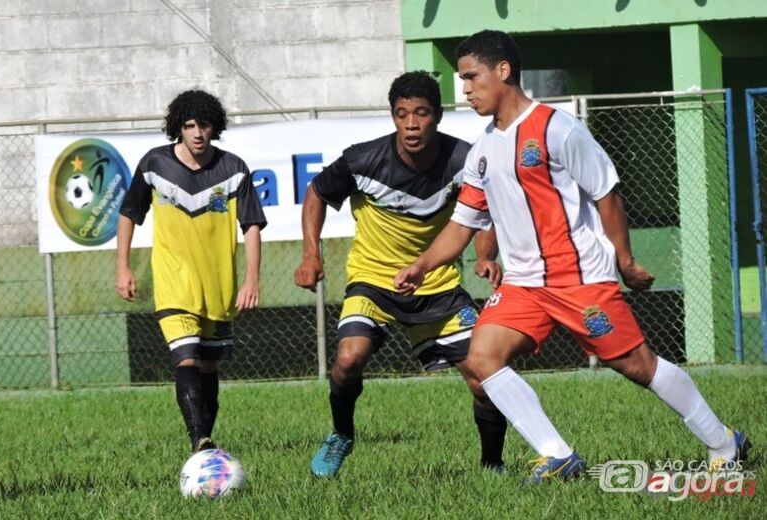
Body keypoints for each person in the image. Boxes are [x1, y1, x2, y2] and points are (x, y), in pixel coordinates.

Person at [395, 30, 750, 483]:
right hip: (523, 284)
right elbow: (463, 224)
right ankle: (558, 455)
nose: (464, 90)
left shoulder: (558, 128)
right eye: (462, 80)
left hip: (579, 278)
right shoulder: (482, 151)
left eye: (471, 77)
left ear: (503, 71)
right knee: (481, 357)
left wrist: (624, 259)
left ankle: (724, 442)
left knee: (636, 365)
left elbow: (607, 193)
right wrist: (423, 265)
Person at [294, 71, 507, 478]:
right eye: (402, 114)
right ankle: (341, 434)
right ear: (393, 117)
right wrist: (310, 255)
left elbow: (484, 210)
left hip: (437, 284)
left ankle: (492, 466)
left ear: (438, 116)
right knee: (348, 358)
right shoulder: (362, 160)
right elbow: (317, 193)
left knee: (485, 377)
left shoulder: (465, 160)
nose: (412, 124)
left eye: (421, 113)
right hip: (373, 282)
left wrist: (485, 255)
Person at [115, 89, 267, 452]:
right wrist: (122, 266)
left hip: (218, 286)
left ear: (215, 127)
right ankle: (199, 439)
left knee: (209, 365)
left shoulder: (234, 169)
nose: (198, 133)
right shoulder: (155, 165)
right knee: (186, 356)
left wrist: (251, 279)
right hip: (173, 283)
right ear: (178, 128)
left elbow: (251, 226)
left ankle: (205, 443)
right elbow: (129, 213)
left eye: (205, 125)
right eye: (189, 125)